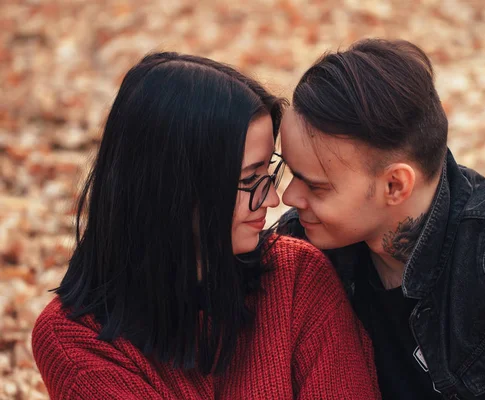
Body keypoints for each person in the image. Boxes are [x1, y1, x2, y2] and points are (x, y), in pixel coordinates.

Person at [32, 52, 380, 400]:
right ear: (173, 190)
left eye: (268, 172)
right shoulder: (74, 340)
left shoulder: (297, 278)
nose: (273, 199)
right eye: (249, 180)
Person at [276, 38, 485, 399]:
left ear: (395, 185)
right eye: (291, 173)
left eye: (316, 187)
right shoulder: (302, 248)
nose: (289, 197)